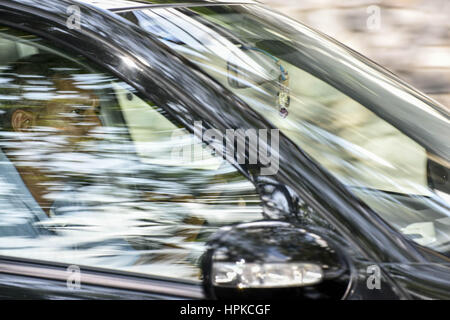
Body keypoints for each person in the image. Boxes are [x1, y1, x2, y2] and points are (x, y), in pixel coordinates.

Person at [0, 53, 102, 217]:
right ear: (26, 126)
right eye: (77, 113)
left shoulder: (65, 193)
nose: (99, 130)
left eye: (96, 113)